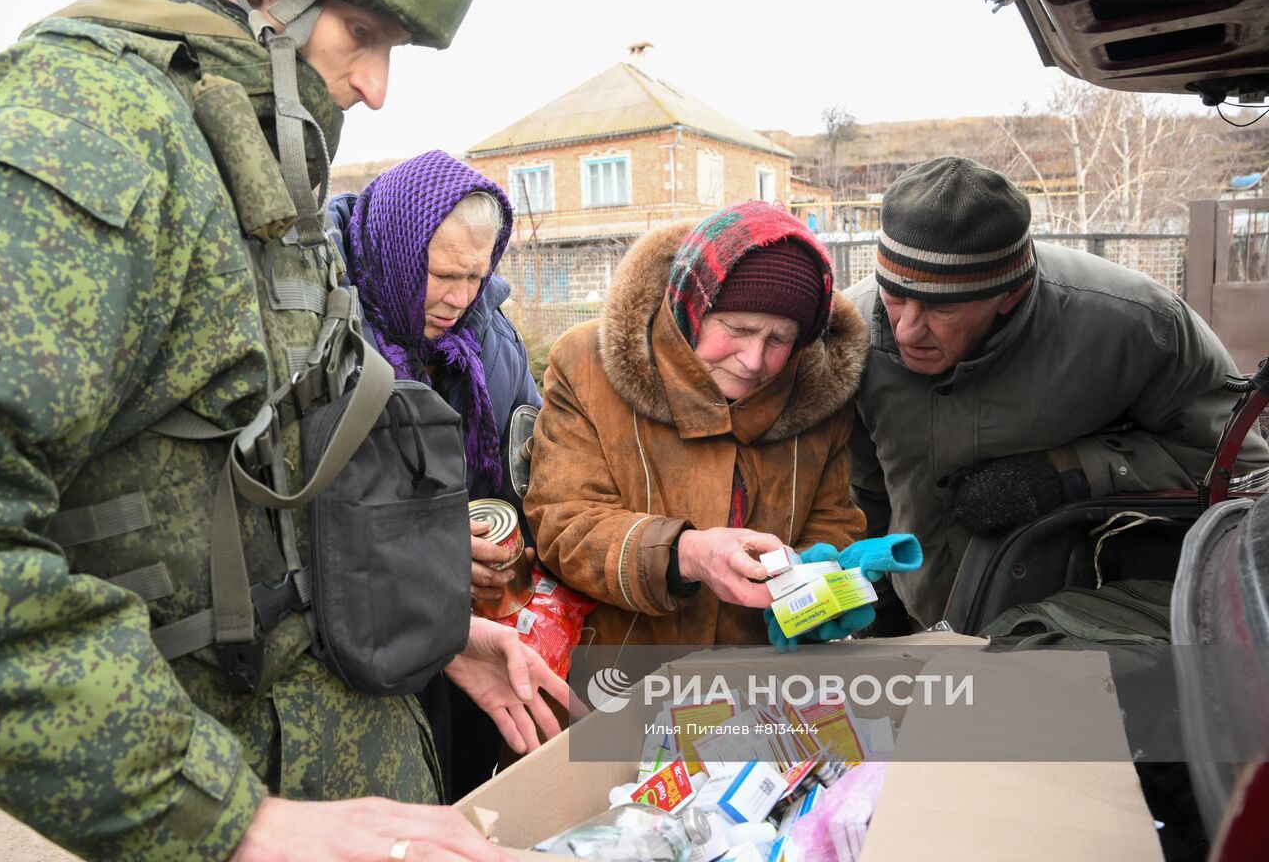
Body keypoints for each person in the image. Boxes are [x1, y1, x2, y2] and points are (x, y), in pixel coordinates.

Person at [0, 0, 559, 862]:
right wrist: (226, 819)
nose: (376, 86)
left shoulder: (245, 139)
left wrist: (435, 633)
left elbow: (258, 479)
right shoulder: (88, 126)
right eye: (362, 35)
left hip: (351, 757)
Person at [845, 156, 1269, 629]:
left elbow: (1244, 471)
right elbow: (859, 493)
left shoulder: (1139, 327)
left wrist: (1069, 473)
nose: (905, 330)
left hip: (1073, 631)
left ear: (1010, 292)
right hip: (917, 629)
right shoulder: (848, 332)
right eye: (895, 295)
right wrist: (874, 608)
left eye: (941, 309)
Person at [525, 200, 869, 647]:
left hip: (762, 673)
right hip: (625, 667)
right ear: (691, 307)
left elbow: (833, 521)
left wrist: (810, 584)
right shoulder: (588, 365)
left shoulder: (815, 388)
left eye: (779, 339)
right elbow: (564, 522)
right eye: (738, 328)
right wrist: (685, 553)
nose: (754, 360)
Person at [326, 149, 545, 801]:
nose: (459, 298)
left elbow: (523, 477)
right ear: (396, 250)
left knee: (466, 792)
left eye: (478, 276)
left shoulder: (492, 347)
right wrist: (434, 548)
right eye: (444, 274)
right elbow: (318, 513)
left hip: (474, 634)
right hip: (365, 652)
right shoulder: (324, 344)